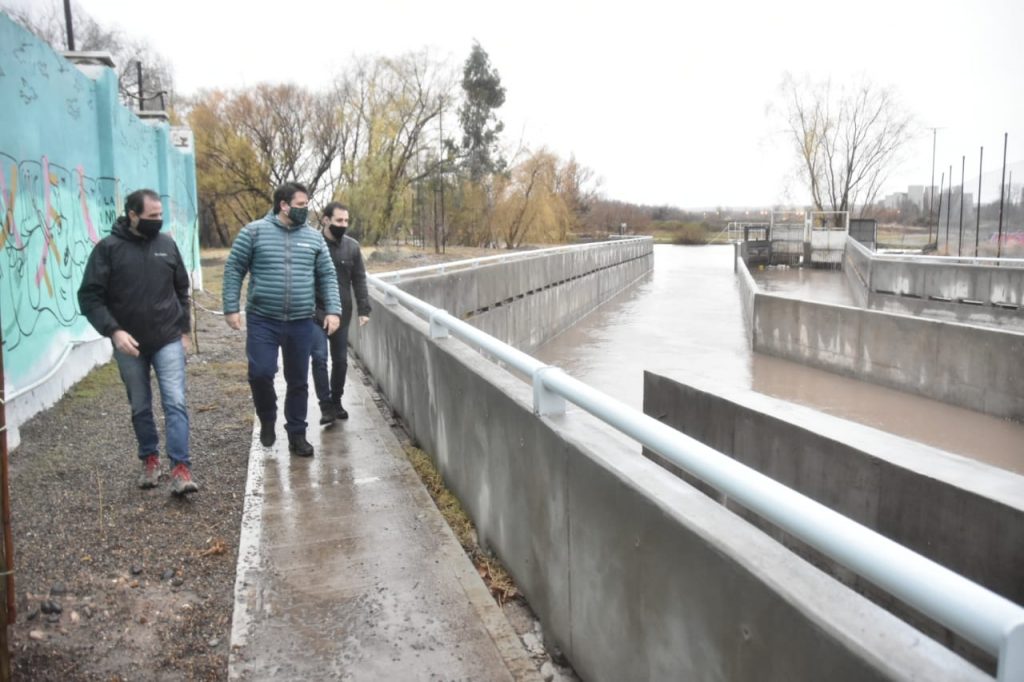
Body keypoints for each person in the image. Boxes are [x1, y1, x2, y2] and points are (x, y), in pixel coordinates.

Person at [77, 188, 198, 495]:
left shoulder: (167, 245)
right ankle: (150, 459)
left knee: (175, 402)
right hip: (129, 344)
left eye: (160, 215)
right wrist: (114, 331)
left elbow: (182, 290)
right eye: (152, 216)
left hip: (168, 337)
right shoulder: (108, 249)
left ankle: (181, 469)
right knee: (140, 405)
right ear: (133, 215)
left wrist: (184, 331)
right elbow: (90, 297)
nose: (158, 221)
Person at [222, 182, 342, 457]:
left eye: (307, 205)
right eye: (300, 205)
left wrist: (333, 310)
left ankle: (297, 434)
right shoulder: (253, 232)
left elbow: (327, 276)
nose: (306, 210)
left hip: (302, 321)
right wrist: (230, 308)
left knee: (298, 380)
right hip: (263, 319)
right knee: (261, 373)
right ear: (284, 205)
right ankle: (267, 416)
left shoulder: (314, 239)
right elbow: (234, 269)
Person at [311, 202, 371, 426]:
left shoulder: (352, 247)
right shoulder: (313, 244)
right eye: (339, 221)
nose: (343, 225)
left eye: (346, 221)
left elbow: (359, 279)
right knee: (319, 358)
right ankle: (325, 406)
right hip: (316, 312)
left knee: (340, 361)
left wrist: (364, 309)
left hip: (343, 313)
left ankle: (336, 401)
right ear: (325, 220)